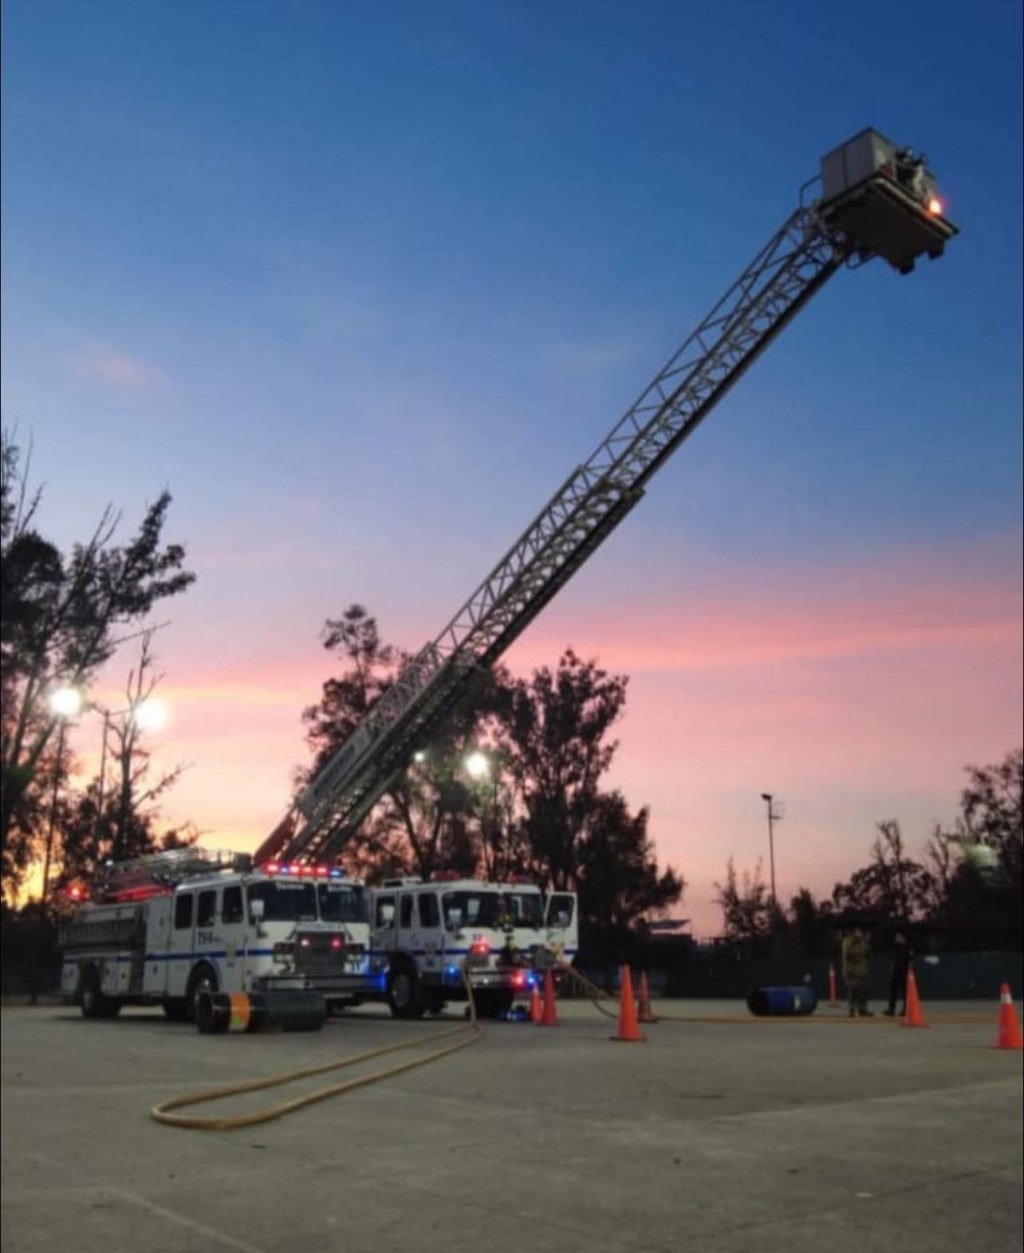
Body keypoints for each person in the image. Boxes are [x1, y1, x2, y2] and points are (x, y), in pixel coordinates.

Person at [841, 926, 873, 1018]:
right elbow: (850, 952)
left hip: (862, 971)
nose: (861, 934)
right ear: (855, 932)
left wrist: (866, 944)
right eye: (860, 932)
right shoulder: (848, 941)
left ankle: (863, 1009)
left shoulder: (863, 942)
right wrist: (863, 947)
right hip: (852, 971)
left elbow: (869, 954)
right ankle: (851, 1010)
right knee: (853, 992)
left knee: (864, 992)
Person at [884, 931, 912, 1017]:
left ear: (902, 938)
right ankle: (891, 1009)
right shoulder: (896, 947)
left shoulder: (908, 948)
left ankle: (905, 1010)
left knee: (905, 993)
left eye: (898, 937)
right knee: (892, 992)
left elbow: (910, 961)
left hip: (903, 973)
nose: (896, 938)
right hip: (895, 973)